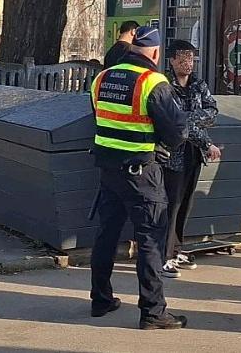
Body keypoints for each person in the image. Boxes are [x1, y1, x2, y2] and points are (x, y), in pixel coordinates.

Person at [89, 26, 190, 330]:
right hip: (142, 173)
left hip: (108, 170)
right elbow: (177, 131)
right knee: (150, 239)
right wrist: (162, 147)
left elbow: (99, 116)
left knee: (107, 233)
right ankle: (153, 311)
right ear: (156, 53)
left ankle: (101, 299)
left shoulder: (102, 77)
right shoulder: (152, 81)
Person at [161, 40, 221, 279]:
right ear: (172, 60)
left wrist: (188, 119)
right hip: (172, 154)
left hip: (193, 154)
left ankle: (177, 249)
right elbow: (176, 123)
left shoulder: (198, 85)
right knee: (171, 205)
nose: (189, 63)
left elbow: (212, 112)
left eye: (192, 58)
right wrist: (205, 141)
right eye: (184, 58)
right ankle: (163, 255)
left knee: (185, 204)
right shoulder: (165, 85)